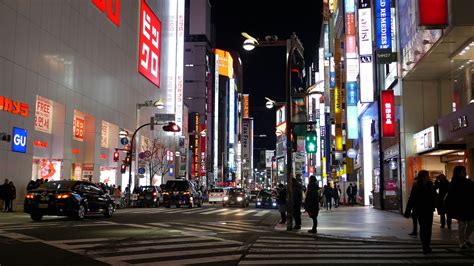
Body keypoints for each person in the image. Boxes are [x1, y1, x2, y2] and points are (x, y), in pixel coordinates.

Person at [404, 170, 437, 254]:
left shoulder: (430, 185)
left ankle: (427, 245)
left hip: (429, 210)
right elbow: (412, 199)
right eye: (427, 175)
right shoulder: (416, 186)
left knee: (428, 228)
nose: (428, 177)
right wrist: (407, 211)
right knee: (423, 228)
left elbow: (434, 197)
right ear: (423, 176)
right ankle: (424, 246)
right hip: (420, 210)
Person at [445, 166, 474, 249]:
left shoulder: (468, 182)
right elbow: (451, 196)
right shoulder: (454, 183)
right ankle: (462, 241)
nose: (465, 173)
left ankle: (465, 238)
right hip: (460, 207)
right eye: (463, 171)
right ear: (459, 173)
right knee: (462, 224)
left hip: (469, 206)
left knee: (471, 223)